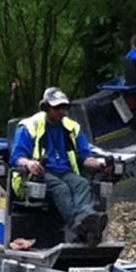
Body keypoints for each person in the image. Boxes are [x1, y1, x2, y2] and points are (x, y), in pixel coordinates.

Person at [10, 86, 111, 246]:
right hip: (38, 176)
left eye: (64, 107)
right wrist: (29, 163)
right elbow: (16, 158)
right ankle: (82, 228)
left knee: (82, 184)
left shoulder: (72, 128)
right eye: (57, 108)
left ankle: (88, 220)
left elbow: (85, 158)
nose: (61, 111)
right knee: (61, 188)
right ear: (46, 108)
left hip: (64, 172)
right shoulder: (29, 126)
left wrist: (101, 163)